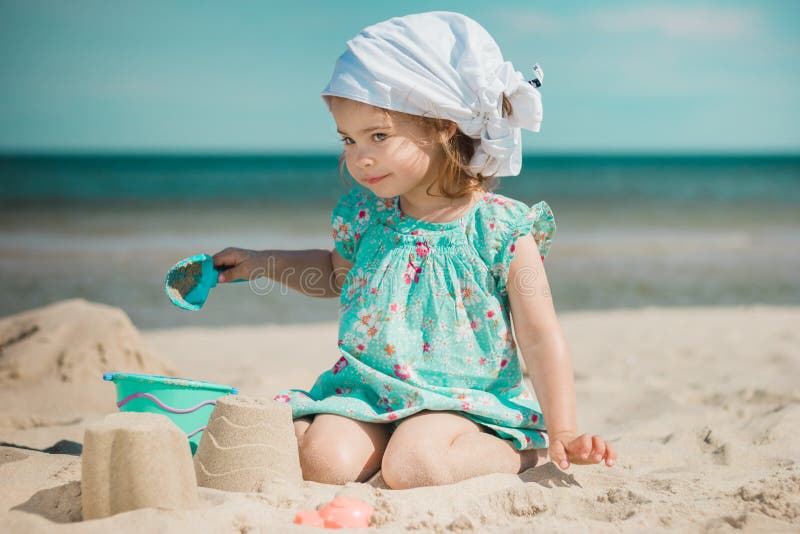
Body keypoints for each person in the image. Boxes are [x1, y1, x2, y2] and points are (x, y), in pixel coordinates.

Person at [211, 11, 616, 490]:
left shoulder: (502, 228)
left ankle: (519, 453)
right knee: (323, 462)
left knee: (415, 467)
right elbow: (337, 274)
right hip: (369, 392)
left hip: (461, 402)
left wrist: (563, 429)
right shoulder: (366, 216)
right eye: (349, 139)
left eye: (379, 136)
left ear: (443, 125)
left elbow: (540, 335)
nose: (360, 156)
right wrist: (263, 264)